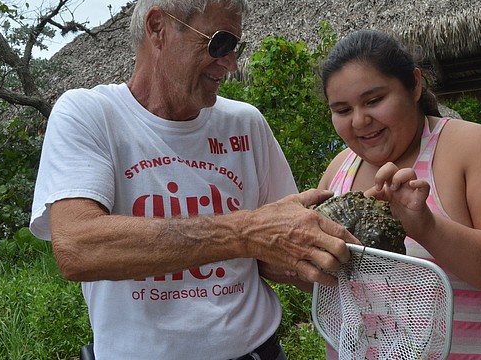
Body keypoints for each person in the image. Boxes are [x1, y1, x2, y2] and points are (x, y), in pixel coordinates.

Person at [29, 0, 357, 358]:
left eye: (235, 47)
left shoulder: (245, 123)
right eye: (219, 44)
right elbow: (77, 247)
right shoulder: (88, 114)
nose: (231, 63)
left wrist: (356, 232)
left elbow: (280, 249)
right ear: (158, 27)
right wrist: (246, 232)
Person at [318, 29, 481, 359]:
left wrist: (427, 227)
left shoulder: (472, 148)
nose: (360, 120)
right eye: (342, 110)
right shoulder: (339, 171)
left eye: (374, 100)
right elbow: (328, 288)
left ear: (414, 84)